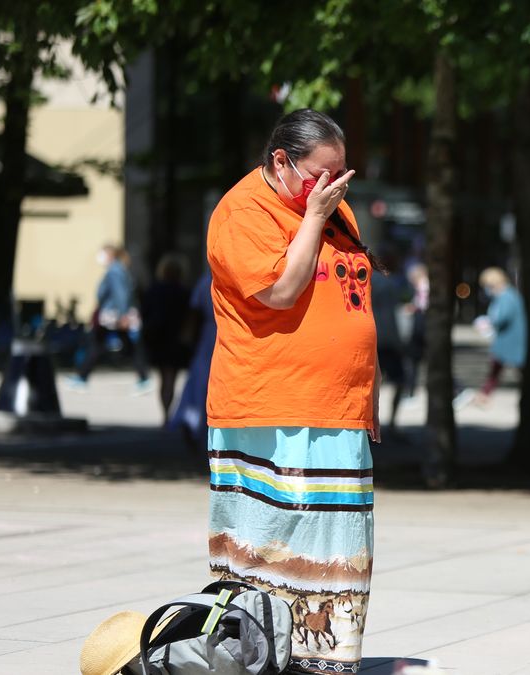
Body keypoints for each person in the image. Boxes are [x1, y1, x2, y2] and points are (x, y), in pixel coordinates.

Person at [204, 109, 378, 675]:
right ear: (281, 161)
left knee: (335, 547)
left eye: (341, 174)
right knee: (271, 548)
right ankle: (260, 658)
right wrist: (314, 217)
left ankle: (326, 662)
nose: (333, 186)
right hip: (271, 405)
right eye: (320, 175)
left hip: (336, 409)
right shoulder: (243, 211)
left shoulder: (328, 204)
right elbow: (279, 290)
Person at [66, 245, 151, 392]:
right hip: (116, 315)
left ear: (110, 255)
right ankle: (82, 376)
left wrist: (123, 315)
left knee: (100, 343)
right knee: (121, 344)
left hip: (114, 316)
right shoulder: (118, 269)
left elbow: (120, 294)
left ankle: (82, 377)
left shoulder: (114, 271)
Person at [167, 270, 215, 450]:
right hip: (222, 333)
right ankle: (194, 423)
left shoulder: (205, 280)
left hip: (209, 336)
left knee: (199, 383)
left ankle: (192, 423)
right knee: (205, 383)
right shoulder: (219, 278)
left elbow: (194, 312)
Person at [141, 254, 191, 424]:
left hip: (160, 339)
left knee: (164, 378)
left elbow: (145, 312)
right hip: (176, 340)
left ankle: (165, 413)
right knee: (171, 379)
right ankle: (167, 413)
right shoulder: (184, 292)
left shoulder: (154, 290)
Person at [471, 267, 527, 407]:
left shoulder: (507, 296)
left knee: (505, 367)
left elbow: (502, 317)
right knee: (497, 368)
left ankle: (484, 395)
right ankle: (484, 395)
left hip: (510, 340)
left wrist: (486, 323)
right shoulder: (505, 295)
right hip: (507, 340)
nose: (486, 289)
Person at [370, 258, 407, 431]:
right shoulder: (392, 283)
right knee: (399, 380)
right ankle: (392, 422)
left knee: (370, 384)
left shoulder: (368, 280)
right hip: (390, 338)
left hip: (373, 337)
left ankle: (369, 423)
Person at [402, 262, 429, 401]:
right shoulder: (422, 286)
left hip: (421, 329)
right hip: (421, 328)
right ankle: (411, 391)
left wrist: (414, 308)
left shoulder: (423, 286)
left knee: (415, 360)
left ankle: (411, 392)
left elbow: (423, 305)